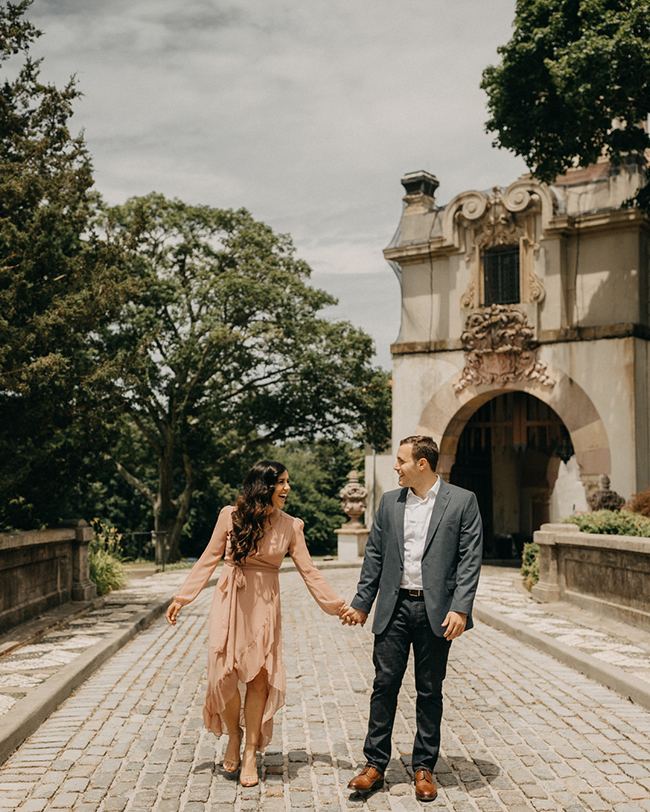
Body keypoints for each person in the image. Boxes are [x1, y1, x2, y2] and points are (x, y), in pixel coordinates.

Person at [166, 461, 349, 787]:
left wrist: (337, 607)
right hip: (230, 600)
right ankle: (233, 735)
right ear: (263, 486)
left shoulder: (291, 526)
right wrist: (183, 597)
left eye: (287, 482)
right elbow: (208, 558)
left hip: (264, 604)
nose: (287, 488)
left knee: (259, 679)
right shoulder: (229, 516)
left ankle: (250, 750)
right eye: (281, 482)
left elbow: (309, 571)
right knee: (223, 675)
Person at [341, 435, 482, 802]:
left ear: (422, 463)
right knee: (384, 685)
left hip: (437, 611)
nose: (396, 466)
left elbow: (470, 559)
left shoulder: (463, 501)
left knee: (430, 690)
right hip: (394, 607)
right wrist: (361, 602)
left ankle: (424, 767)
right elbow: (374, 555)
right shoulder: (389, 503)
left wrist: (461, 607)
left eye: (401, 460)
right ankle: (374, 765)